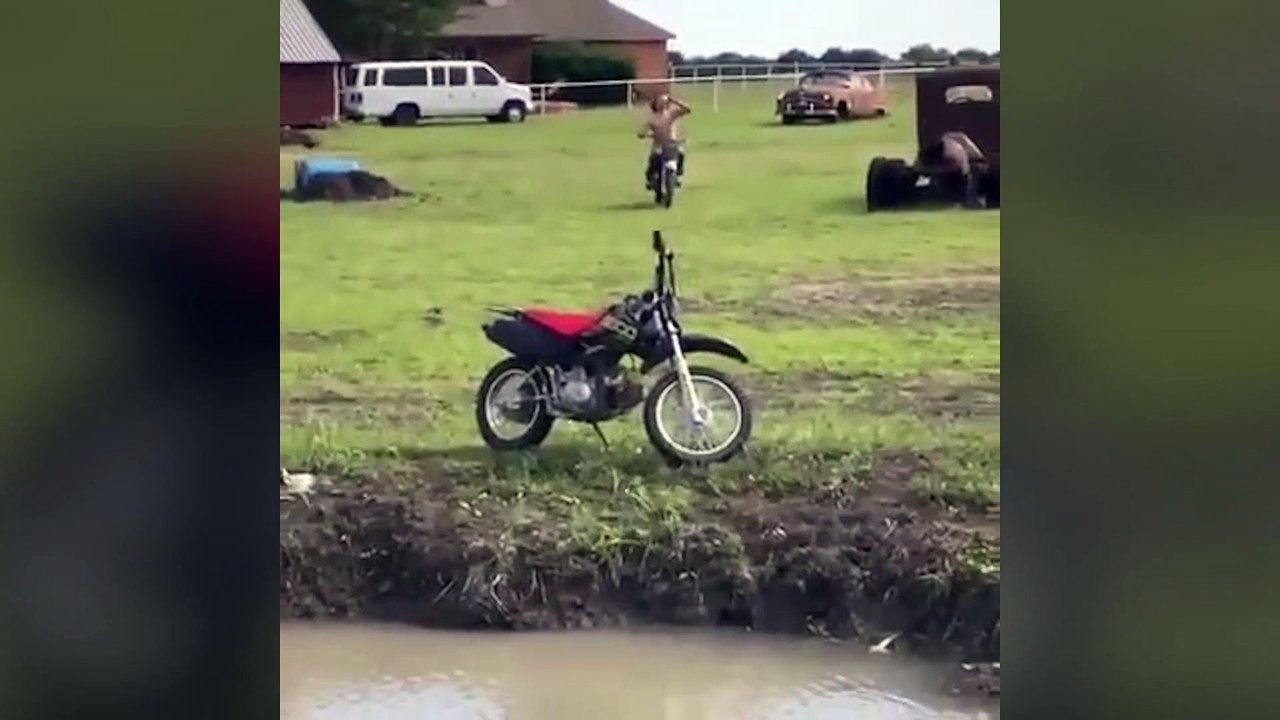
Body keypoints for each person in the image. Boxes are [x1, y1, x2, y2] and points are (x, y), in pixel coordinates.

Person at [637, 94, 691, 190]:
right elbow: (643, 131)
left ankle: (677, 175)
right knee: (654, 158)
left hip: (671, 142)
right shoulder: (652, 118)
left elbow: (687, 109)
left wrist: (674, 100)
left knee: (680, 154)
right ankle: (651, 178)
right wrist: (644, 134)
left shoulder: (671, 114)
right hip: (658, 143)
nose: (662, 104)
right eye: (659, 102)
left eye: (664, 102)